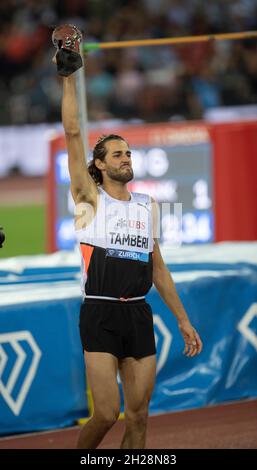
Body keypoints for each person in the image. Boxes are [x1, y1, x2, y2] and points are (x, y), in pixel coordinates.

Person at [55, 26, 203, 450]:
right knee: (105, 413)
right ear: (99, 166)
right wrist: (69, 74)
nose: (126, 158)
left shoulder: (147, 206)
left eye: (129, 154)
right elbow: (72, 134)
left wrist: (182, 317)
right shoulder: (88, 199)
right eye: (118, 154)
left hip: (139, 314)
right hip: (100, 313)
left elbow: (158, 268)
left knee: (138, 416)